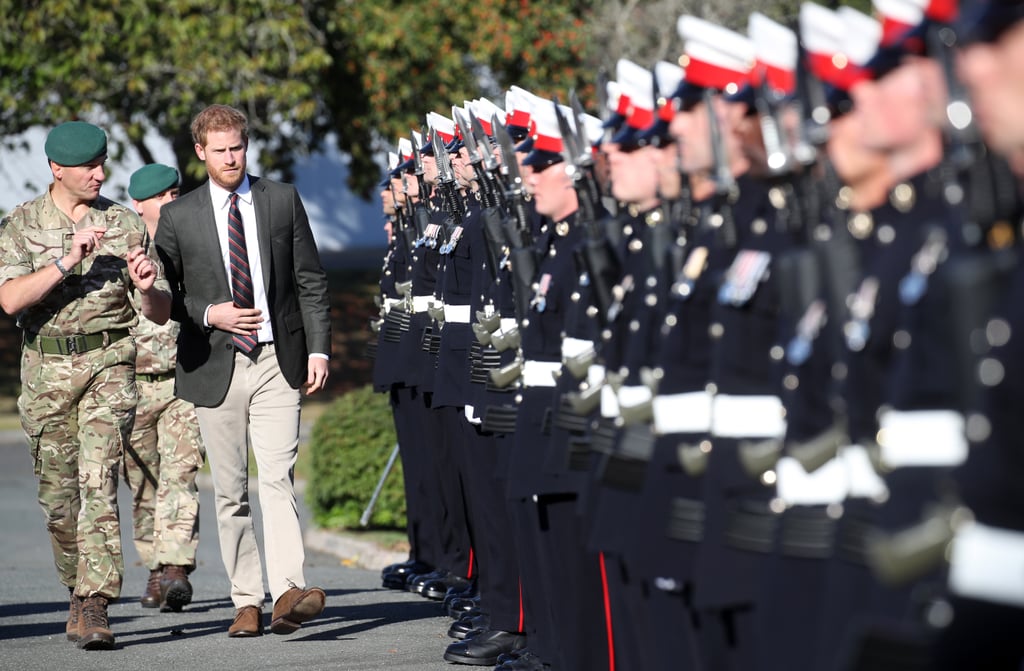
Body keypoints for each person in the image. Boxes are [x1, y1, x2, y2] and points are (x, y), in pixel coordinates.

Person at [154, 104, 332, 638]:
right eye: (221, 150)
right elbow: (163, 296)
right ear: (201, 153)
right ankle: (246, 600)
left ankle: (287, 593)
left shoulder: (281, 200)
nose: (232, 158)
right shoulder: (178, 217)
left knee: (277, 478)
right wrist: (212, 313)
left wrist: (319, 349)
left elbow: (311, 280)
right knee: (230, 490)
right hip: (215, 363)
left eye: (239, 148)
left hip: (280, 359)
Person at [0, 120, 171, 650]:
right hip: (46, 374)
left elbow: (161, 310)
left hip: (109, 365)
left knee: (99, 480)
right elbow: (9, 300)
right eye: (88, 167)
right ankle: (77, 589)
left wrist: (146, 290)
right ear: (57, 169)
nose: (100, 174)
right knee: (59, 498)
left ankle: (96, 602)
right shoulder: (20, 224)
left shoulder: (123, 223)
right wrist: (66, 260)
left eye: (102, 164)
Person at [124, 164, 206, 612]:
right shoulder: (120, 249)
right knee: (141, 483)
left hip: (183, 378)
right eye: (162, 196)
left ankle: (176, 567)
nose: (173, 202)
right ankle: (155, 567)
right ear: (140, 205)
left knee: (181, 475)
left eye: (177, 192)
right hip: (132, 384)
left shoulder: (192, 247)